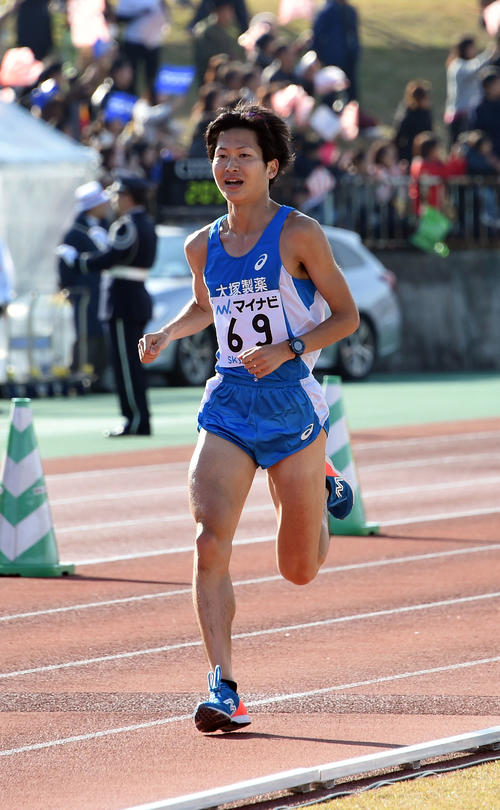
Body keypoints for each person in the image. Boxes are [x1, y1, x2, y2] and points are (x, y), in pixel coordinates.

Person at [138, 102, 359, 733]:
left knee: (299, 569)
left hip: (291, 401)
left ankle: (322, 485)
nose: (229, 166)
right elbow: (207, 306)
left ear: (271, 167)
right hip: (230, 403)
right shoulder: (201, 245)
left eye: (243, 156)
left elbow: (346, 317)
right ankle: (224, 686)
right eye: (220, 155)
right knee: (209, 541)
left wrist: (289, 348)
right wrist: (167, 334)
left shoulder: (299, 235)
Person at [60, 173, 157, 436]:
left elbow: (111, 258)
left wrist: (78, 261)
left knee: (126, 365)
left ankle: (135, 420)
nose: (113, 200)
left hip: (123, 300)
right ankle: (136, 418)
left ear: (127, 197)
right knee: (129, 364)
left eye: (116, 194)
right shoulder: (144, 223)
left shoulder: (127, 225)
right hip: (132, 298)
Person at [444, 35, 498, 145]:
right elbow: (473, 69)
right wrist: (489, 54)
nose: (475, 50)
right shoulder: (457, 65)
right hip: (459, 114)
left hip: (467, 113)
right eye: (472, 47)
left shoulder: (465, 63)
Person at [312, 0, 360, 101]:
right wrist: (319, 55)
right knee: (332, 91)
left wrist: (355, 52)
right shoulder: (327, 10)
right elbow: (317, 35)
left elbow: (354, 34)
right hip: (333, 58)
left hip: (349, 57)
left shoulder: (350, 10)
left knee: (350, 89)